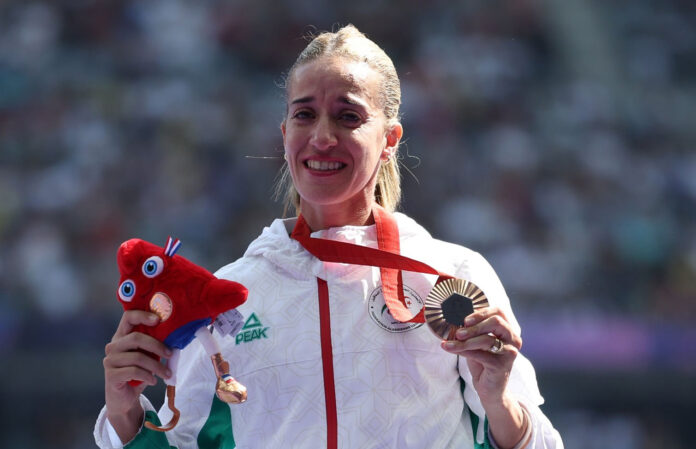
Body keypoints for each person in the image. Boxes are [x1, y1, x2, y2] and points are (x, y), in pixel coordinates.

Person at [95, 24, 564, 449]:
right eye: (304, 115)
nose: (321, 136)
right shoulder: (228, 300)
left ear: (390, 139)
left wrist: (499, 401)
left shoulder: (453, 275)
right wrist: (124, 412)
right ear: (284, 135)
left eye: (348, 116)